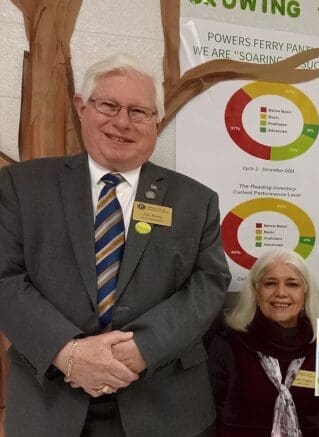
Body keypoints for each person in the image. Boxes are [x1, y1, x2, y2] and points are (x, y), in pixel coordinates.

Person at [0, 53, 231, 436]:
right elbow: (4, 279)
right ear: (81, 107)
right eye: (108, 105)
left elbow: (208, 284)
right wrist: (69, 353)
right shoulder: (20, 188)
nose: (122, 122)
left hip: (164, 405)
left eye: (140, 111)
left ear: (156, 121)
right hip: (50, 403)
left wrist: (142, 348)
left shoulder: (196, 201)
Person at [207, 248, 319, 436]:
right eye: (270, 283)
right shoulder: (228, 345)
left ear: (305, 293)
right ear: (256, 291)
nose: (281, 292)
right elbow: (209, 421)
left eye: (292, 284)